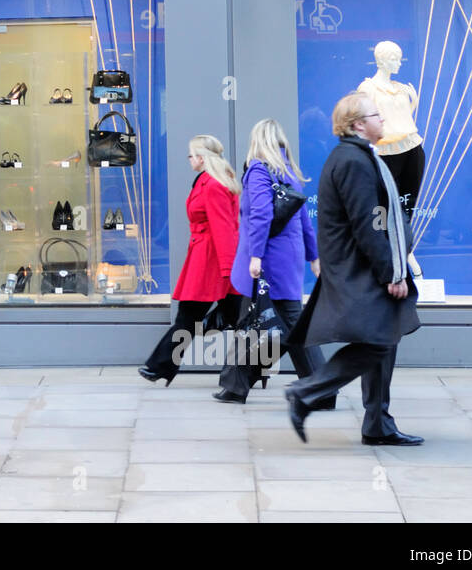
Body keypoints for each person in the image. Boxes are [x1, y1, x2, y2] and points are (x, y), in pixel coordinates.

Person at [284, 91, 423, 445]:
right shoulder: (353, 161)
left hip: (361, 267)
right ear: (359, 124)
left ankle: (377, 423)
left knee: (383, 339)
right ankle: (306, 392)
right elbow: (368, 225)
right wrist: (390, 273)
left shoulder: (359, 156)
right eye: (377, 115)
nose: (384, 120)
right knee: (378, 341)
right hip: (359, 269)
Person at [213, 119, 331, 405]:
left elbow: (261, 215)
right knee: (278, 323)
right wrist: (313, 256)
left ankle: (322, 390)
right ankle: (235, 385)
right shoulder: (289, 171)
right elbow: (304, 219)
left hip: (265, 259)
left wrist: (255, 255)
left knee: (268, 323)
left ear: (257, 140)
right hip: (287, 259)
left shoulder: (258, 170)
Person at [139, 135, 242, 385]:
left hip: (210, 259)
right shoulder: (208, 181)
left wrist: (228, 268)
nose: (189, 159)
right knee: (229, 316)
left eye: (191, 155)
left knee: (189, 316)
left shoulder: (213, 185)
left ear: (202, 157)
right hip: (206, 255)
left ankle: (161, 365)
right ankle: (164, 365)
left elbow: (224, 228)